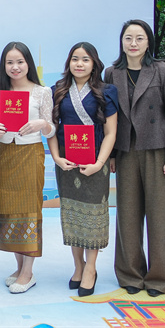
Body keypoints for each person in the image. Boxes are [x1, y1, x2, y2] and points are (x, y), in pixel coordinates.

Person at [105, 19, 165, 297]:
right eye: (128, 38)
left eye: (139, 38)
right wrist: (111, 154)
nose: (133, 43)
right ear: (121, 42)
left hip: (158, 150)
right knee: (127, 215)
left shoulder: (163, 70)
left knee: (159, 218)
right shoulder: (112, 73)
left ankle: (158, 279)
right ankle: (130, 274)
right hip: (126, 152)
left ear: (148, 41)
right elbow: (108, 118)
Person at [47, 43, 118, 297]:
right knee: (72, 216)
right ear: (69, 62)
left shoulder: (106, 91)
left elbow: (111, 132)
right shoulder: (57, 90)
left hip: (95, 163)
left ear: (94, 63)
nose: (79, 64)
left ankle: (91, 268)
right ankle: (78, 266)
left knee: (94, 217)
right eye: (75, 59)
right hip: (67, 162)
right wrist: (56, 157)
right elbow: (51, 127)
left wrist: (100, 163)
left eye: (85, 59)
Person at [0, 41, 54, 294]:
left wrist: (42, 124)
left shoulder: (42, 92)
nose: (15, 67)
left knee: (29, 210)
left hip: (30, 153)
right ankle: (19, 268)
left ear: (28, 63)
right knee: (10, 210)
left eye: (20, 61)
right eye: (10, 62)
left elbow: (52, 129)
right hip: (5, 154)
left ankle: (28, 272)